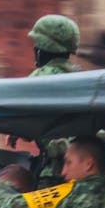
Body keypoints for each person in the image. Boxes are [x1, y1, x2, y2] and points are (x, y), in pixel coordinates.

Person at [27, 14, 81, 182]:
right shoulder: (80, 77)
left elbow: (23, 117)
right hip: (82, 170)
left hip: (54, 173)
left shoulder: (40, 77)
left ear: (42, 48)